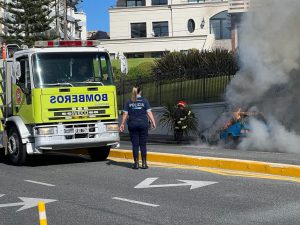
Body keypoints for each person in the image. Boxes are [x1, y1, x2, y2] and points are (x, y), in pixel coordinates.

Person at [119, 87, 156, 169]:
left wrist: (122, 124)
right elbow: (149, 112)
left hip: (132, 124)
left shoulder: (129, 101)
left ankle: (136, 164)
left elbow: (125, 114)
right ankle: (144, 164)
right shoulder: (144, 101)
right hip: (143, 124)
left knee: (135, 145)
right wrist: (153, 122)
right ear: (140, 92)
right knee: (143, 144)